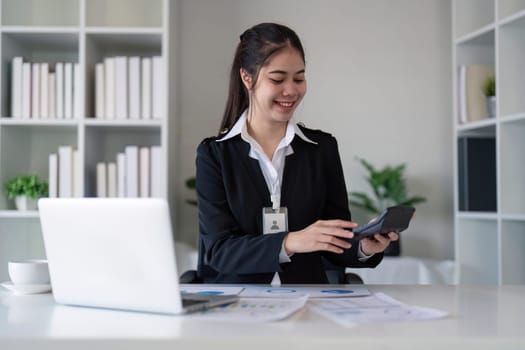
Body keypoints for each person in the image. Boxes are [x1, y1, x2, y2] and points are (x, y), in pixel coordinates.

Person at [195, 22, 398, 284]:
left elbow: (334, 242)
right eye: (278, 79)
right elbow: (219, 251)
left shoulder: (321, 149)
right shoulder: (215, 155)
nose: (291, 90)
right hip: (240, 304)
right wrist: (290, 241)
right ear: (247, 78)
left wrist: (365, 247)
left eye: (299, 78)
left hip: (308, 300)